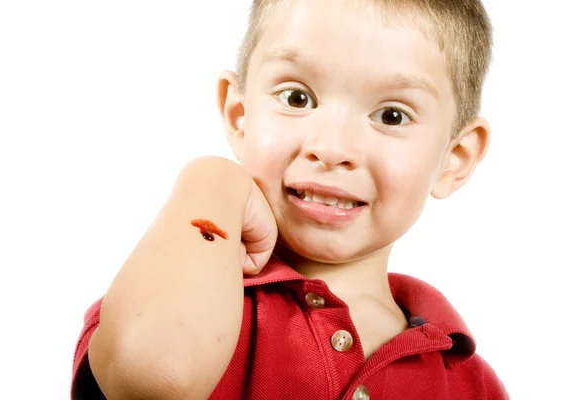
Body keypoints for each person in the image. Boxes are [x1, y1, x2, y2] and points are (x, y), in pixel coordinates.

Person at [71, 0, 509, 398]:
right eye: (297, 98)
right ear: (239, 116)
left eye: (392, 115)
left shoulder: (470, 383)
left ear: (455, 158)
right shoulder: (177, 295)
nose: (333, 148)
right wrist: (209, 181)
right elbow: (149, 378)